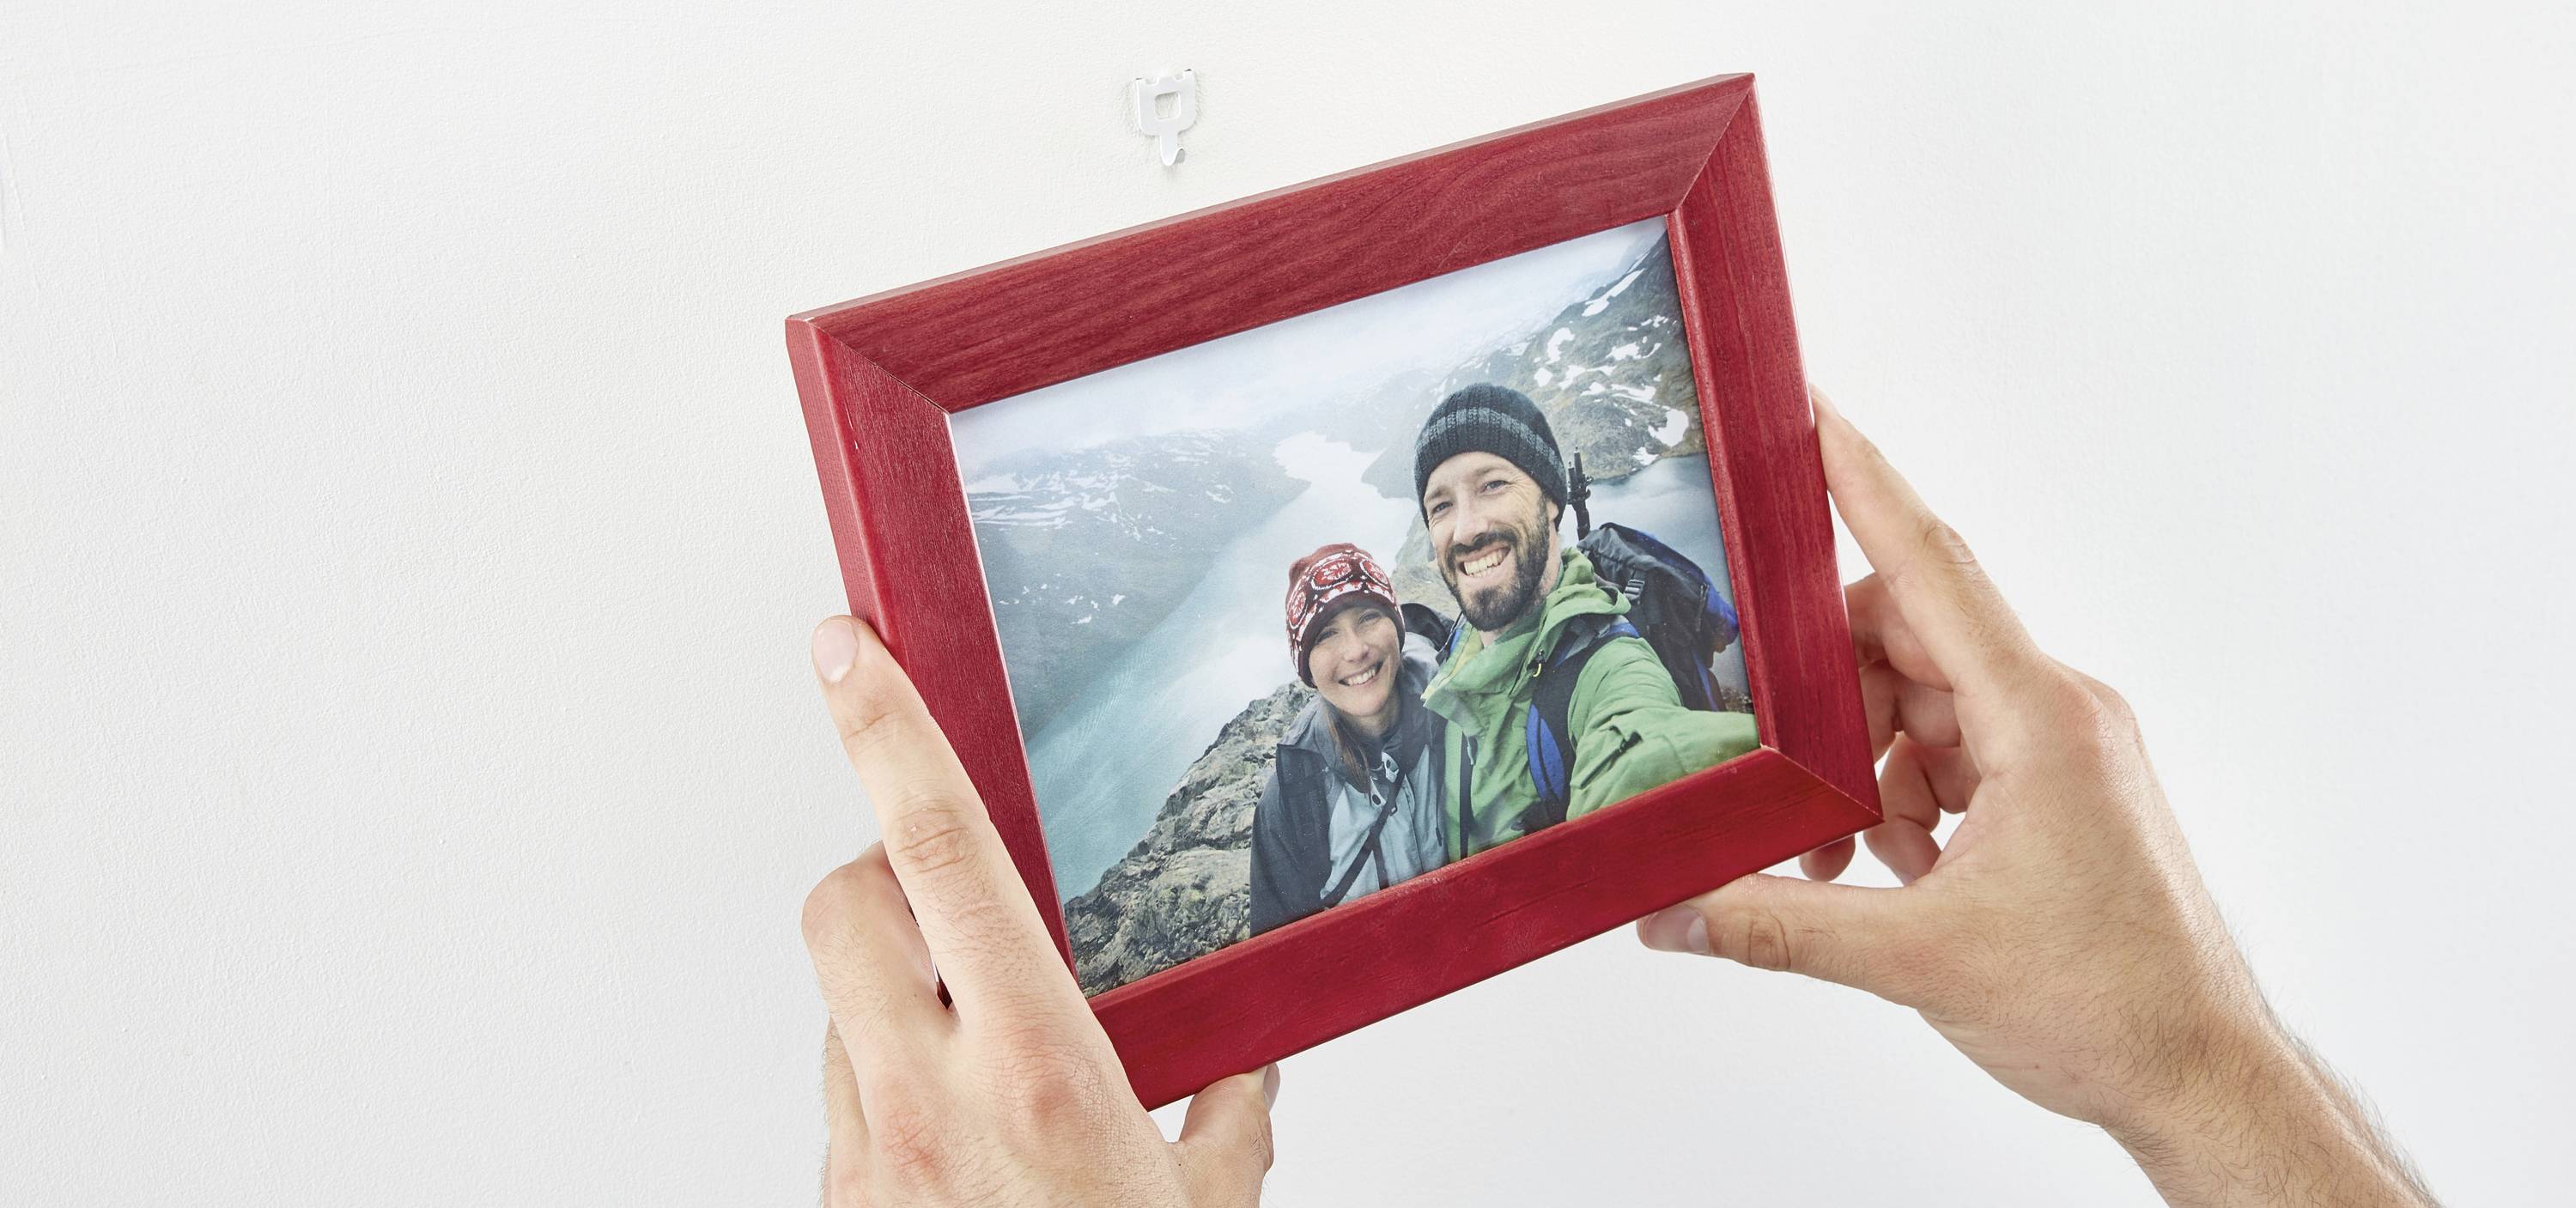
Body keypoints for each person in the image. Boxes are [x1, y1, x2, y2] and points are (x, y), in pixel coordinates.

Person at [795, 390, 2440, 1207]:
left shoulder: (1575, 661)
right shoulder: (1381, 735)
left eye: (1487, 483)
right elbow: (1313, 915)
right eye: (1436, 502)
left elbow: (1641, 741)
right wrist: (2200, 1068)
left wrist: (1708, 788)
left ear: (1554, 512)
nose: (1447, 538)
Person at [1411, 383, 1759, 859]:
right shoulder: (1457, 647)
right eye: (1441, 506)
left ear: (1551, 500)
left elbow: (1645, 755)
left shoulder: (1610, 666)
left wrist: (1790, 759)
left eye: (1493, 484)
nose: (1467, 528)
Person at [1246, 543, 1448, 935]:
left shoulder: (1461, 708)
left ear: (1396, 626)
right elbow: (1284, 960)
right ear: (1307, 667)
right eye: (1326, 636)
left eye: (1369, 617)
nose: (1355, 651)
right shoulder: (1295, 797)